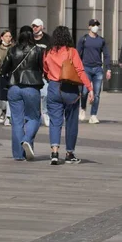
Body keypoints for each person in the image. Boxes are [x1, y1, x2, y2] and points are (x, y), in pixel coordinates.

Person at [43, 26, 94, 165]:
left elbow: (45, 69)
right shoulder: (72, 52)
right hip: (69, 89)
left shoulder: (48, 52)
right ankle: (69, 153)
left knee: (55, 121)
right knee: (71, 122)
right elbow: (80, 71)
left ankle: (54, 152)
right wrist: (89, 88)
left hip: (53, 87)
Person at [0, 26, 45, 161]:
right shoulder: (37, 50)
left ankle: (18, 154)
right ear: (32, 36)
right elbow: (43, 68)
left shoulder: (12, 50)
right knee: (34, 118)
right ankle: (27, 139)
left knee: (17, 121)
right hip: (31, 87)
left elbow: (4, 69)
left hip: (14, 87)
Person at [77, 19, 111, 124]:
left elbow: (106, 55)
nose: (95, 26)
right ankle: (83, 108)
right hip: (86, 68)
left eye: (97, 25)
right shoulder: (84, 39)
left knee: (96, 93)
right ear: (89, 27)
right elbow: (77, 54)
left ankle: (93, 115)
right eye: (93, 25)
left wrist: (108, 68)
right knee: (84, 91)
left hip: (97, 69)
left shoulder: (101, 40)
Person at [32, 18, 52, 126]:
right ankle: (37, 115)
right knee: (34, 96)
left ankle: (45, 112)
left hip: (44, 71)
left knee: (45, 94)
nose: (35, 28)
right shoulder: (30, 39)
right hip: (33, 71)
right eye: (33, 26)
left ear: (42, 27)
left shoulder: (48, 39)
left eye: (37, 26)